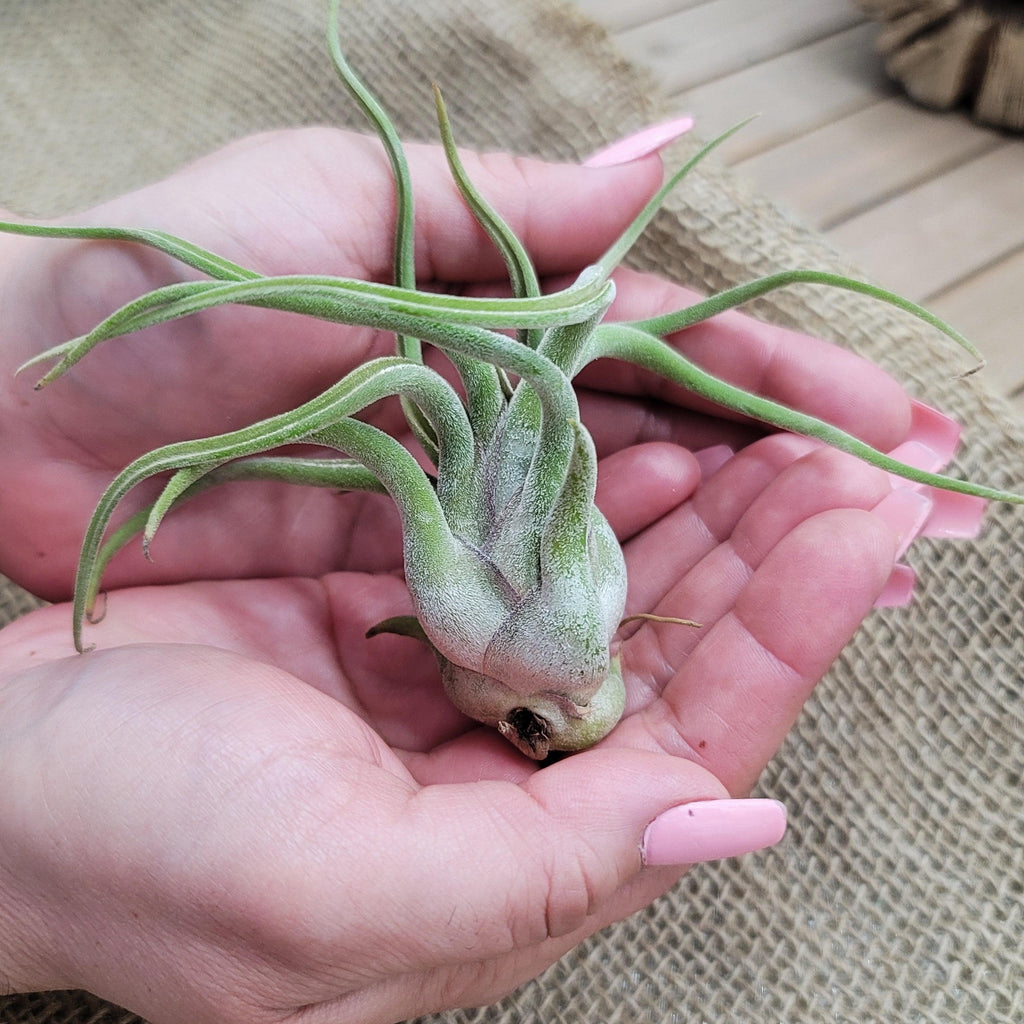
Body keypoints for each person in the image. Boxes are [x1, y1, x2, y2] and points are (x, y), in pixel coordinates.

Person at [0, 124, 972, 1024]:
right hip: (512, 639)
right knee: (438, 384)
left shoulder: (510, 625)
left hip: (514, 642)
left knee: (487, 375)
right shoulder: (512, 615)